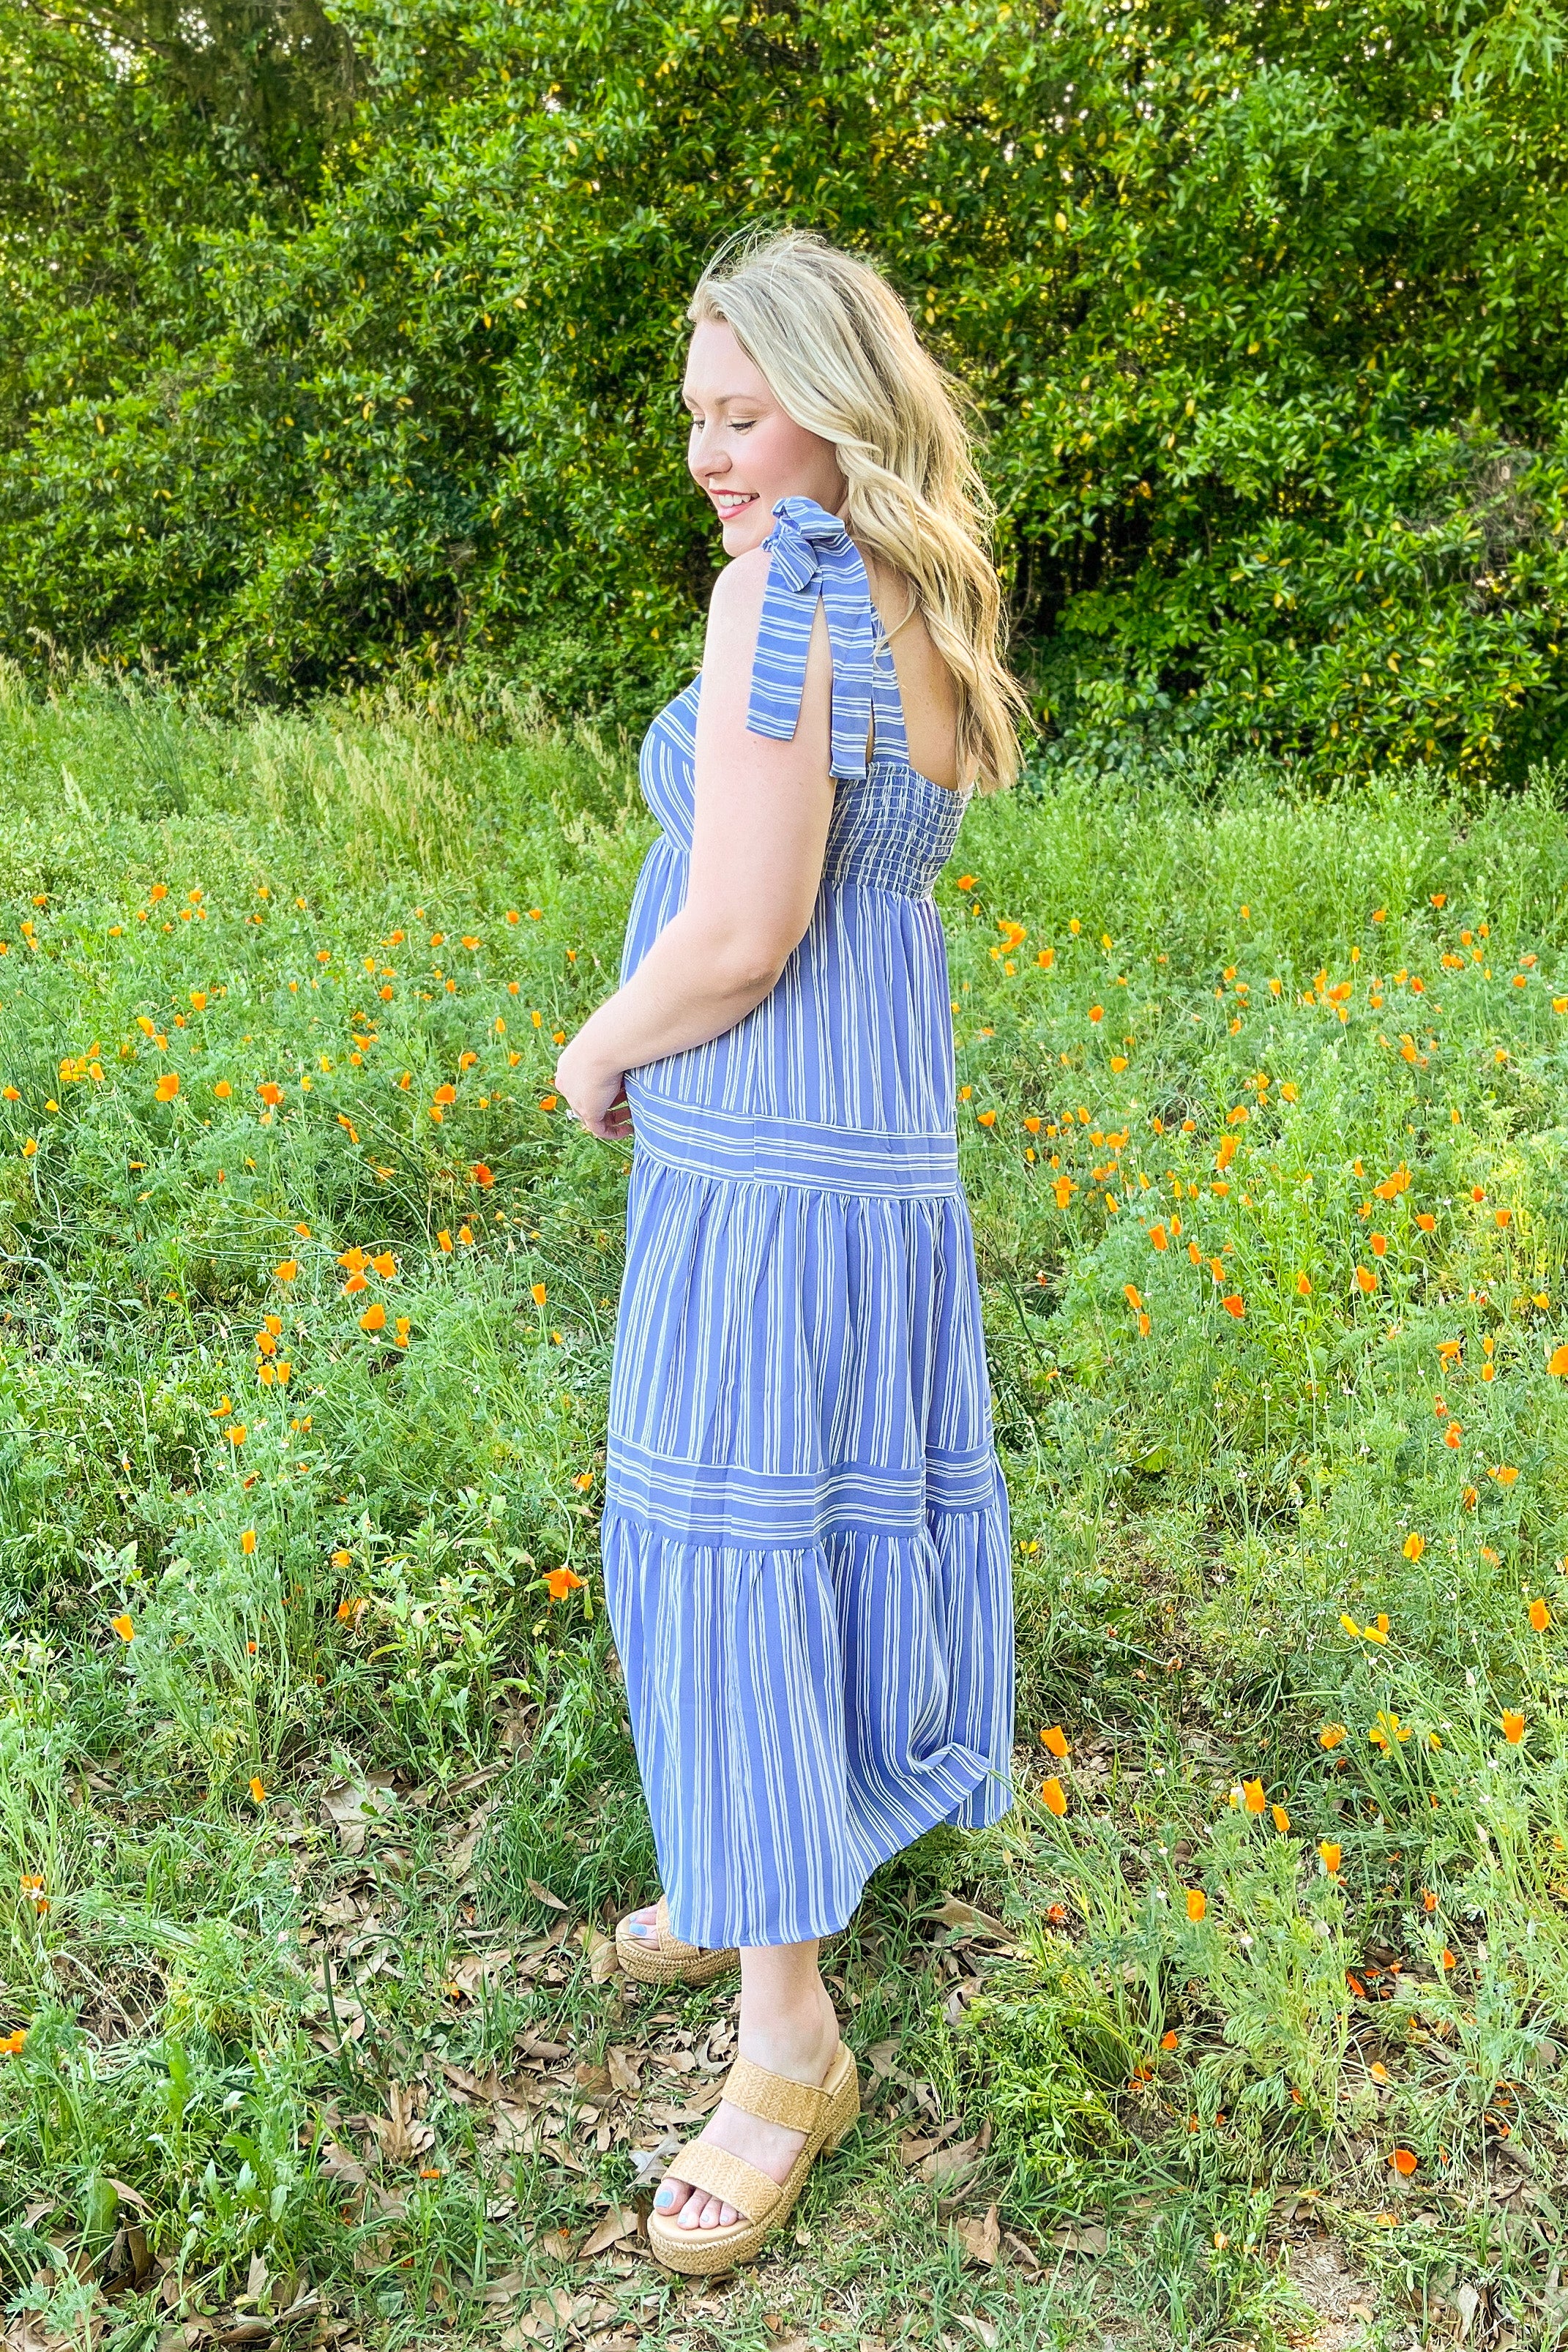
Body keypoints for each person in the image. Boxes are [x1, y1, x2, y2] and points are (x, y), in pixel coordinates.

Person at [553, 228, 1025, 2277]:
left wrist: (594, 1045)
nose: (712, 455)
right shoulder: (910, 589)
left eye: (746, 414)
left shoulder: (782, 598)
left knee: (727, 1547)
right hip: (879, 1157)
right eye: (696, 418)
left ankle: (788, 2043)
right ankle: (765, 1866)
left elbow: (740, 935)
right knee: (829, 1522)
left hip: (770, 1167)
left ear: (836, 399)